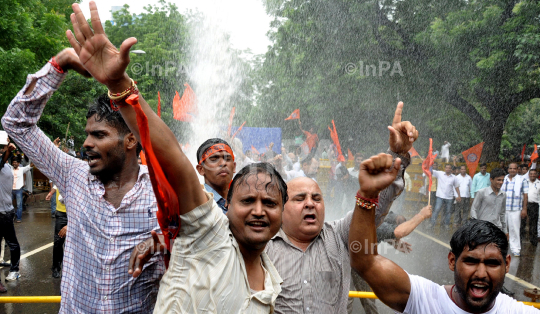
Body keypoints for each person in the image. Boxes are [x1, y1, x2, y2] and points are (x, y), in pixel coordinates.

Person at [64, 4, 285, 311]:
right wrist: (120, 87)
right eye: (247, 201)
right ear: (226, 208)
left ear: (283, 212)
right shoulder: (210, 237)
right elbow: (174, 162)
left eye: (270, 203)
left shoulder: (273, 278)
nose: (259, 211)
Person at [2, 43, 165, 312]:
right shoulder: (73, 174)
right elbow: (15, 123)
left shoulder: (162, 190)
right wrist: (59, 64)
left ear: (131, 140)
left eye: (99, 135)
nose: (87, 143)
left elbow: (197, 239)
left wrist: (159, 242)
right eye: (88, 134)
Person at [263, 102, 418, 314]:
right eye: (300, 198)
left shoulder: (340, 235)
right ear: (281, 207)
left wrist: (397, 155)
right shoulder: (261, 245)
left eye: (317, 198)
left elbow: (373, 209)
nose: (310, 203)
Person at [195, 138, 236, 214]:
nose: (223, 163)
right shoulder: (194, 202)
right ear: (201, 169)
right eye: (214, 159)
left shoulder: (241, 200)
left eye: (227, 159)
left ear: (234, 167)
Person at [0, 143, 21, 283]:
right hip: (6, 212)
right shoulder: (7, 168)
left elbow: (3, 159)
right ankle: (14, 269)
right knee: (11, 243)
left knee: (12, 243)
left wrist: (8, 151)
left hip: (4, 213)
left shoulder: (4, 166)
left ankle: (15, 270)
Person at [502, 162, 528, 257]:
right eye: (510, 168)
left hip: (516, 209)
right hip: (503, 209)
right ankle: (501, 248)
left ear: (518, 170)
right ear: (508, 169)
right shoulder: (504, 179)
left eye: (514, 168)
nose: (512, 170)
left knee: (514, 230)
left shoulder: (522, 179)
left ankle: (516, 249)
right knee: (502, 229)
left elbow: (525, 195)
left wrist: (524, 209)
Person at [46, 184, 68, 278]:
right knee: (58, 242)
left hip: (74, 214)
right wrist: (51, 192)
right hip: (60, 214)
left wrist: (70, 225)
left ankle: (70, 270)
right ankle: (56, 267)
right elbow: (56, 184)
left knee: (72, 244)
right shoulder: (60, 173)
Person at [430, 164, 460, 229]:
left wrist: (458, 195)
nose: (447, 169)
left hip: (449, 197)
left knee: (448, 211)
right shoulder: (440, 174)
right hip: (440, 196)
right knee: (437, 210)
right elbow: (430, 171)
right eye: (446, 168)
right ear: (445, 168)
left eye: (449, 168)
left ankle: (446, 224)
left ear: (451, 169)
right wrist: (429, 164)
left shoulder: (454, 177)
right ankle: (432, 223)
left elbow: (456, 187)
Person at [10, 156, 32, 223]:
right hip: (10, 190)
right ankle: (12, 216)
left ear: (19, 163)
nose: (14, 163)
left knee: (19, 205)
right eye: (13, 162)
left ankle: (18, 218)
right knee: (9, 205)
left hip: (18, 190)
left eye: (16, 162)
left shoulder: (22, 169)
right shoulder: (10, 168)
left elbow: (30, 165)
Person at [522, 168, 539, 246]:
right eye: (531, 174)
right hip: (524, 204)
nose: (532, 175)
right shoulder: (524, 182)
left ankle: (533, 240)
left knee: (533, 223)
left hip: (534, 205)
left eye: (534, 174)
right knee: (522, 222)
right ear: (528, 175)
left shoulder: (539, 183)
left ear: (536, 175)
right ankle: (520, 239)